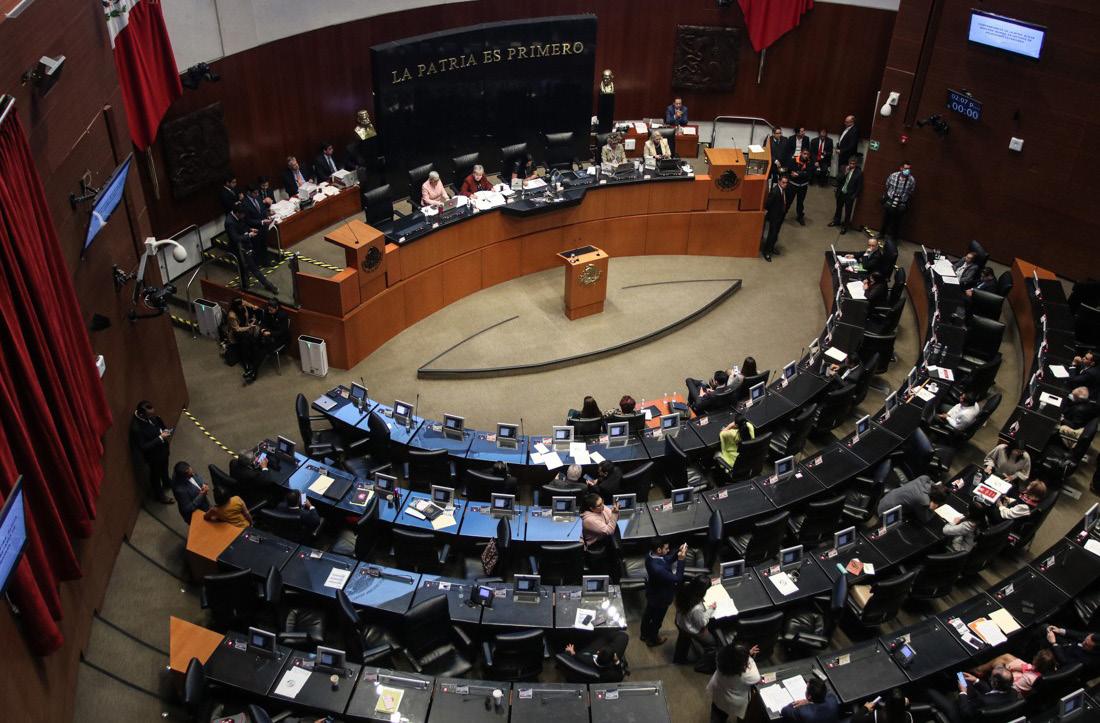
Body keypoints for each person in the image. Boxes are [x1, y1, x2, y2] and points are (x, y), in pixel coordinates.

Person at [641, 538, 687, 646]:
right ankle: (653, 640)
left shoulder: (650, 555)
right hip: (661, 598)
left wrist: (678, 552)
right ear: (659, 550)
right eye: (666, 548)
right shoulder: (658, 569)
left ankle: (644, 634)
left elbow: (666, 560)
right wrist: (681, 560)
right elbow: (677, 579)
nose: (668, 550)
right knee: (657, 620)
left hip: (652, 592)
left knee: (648, 615)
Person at [225, 205, 278, 294]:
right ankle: (268, 285)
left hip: (245, 245)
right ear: (237, 213)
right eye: (242, 215)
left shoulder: (238, 216)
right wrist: (249, 235)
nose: (244, 216)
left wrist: (250, 229)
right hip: (238, 249)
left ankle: (245, 285)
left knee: (247, 267)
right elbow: (235, 238)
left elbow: (243, 225)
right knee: (252, 268)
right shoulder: (229, 222)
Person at [130, 400, 174, 504]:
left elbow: (160, 426)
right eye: (149, 415)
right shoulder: (137, 428)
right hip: (153, 457)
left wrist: (165, 431)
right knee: (155, 476)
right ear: (141, 414)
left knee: (165, 468)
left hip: (163, 450)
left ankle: (167, 482)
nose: (152, 416)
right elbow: (144, 447)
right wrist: (160, 438)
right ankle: (160, 496)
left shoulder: (152, 417)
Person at [707, 643, 762, 723]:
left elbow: (732, 658)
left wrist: (746, 654)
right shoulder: (746, 675)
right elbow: (757, 678)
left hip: (717, 690)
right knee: (743, 716)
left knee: (717, 713)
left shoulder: (720, 660)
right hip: (732, 700)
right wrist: (750, 658)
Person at [674, 575, 718, 672]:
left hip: (680, 622)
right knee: (712, 644)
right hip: (691, 628)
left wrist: (711, 582)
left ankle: (679, 658)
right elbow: (702, 623)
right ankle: (702, 666)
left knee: (683, 638)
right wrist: (711, 609)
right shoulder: (697, 608)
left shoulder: (685, 590)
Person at [967, 649, 1056, 696]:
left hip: (1014, 687)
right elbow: (1030, 668)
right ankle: (979, 670)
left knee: (998, 664)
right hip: (1023, 676)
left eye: (1036, 657)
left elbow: (1012, 687)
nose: (1034, 656)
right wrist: (1016, 668)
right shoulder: (1047, 669)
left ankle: (977, 671)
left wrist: (1007, 671)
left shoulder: (1028, 679)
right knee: (1006, 657)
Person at [876, 476, 949, 524]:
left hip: (887, 497)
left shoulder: (924, 478)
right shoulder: (924, 500)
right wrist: (932, 509)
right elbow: (925, 519)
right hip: (888, 512)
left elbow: (932, 483)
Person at [561, 631, 629, 682]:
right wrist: (617, 662)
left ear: (598, 652)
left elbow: (575, 656)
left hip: (590, 656)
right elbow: (620, 677)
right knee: (624, 636)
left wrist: (572, 652)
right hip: (602, 660)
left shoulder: (582, 658)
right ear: (614, 657)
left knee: (604, 636)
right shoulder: (610, 674)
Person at [227, 298, 262, 383]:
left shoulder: (242, 305)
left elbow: (247, 303)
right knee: (245, 341)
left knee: (252, 341)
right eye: (241, 304)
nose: (243, 304)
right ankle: (246, 361)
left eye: (243, 303)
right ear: (237, 306)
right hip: (237, 332)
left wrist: (253, 306)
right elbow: (237, 329)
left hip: (246, 328)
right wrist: (249, 327)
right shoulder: (232, 316)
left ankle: (251, 364)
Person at [880, 162, 916, 241]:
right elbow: (887, 185)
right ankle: (881, 234)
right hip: (891, 199)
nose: (907, 170)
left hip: (901, 202)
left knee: (897, 221)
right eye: (906, 168)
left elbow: (911, 191)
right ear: (901, 168)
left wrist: (903, 198)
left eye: (909, 169)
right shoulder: (893, 175)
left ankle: (894, 238)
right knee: (886, 218)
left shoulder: (911, 180)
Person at [829, 157, 863, 234]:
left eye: (853, 164)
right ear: (848, 163)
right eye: (850, 163)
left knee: (848, 212)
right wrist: (845, 173)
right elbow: (838, 179)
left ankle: (845, 226)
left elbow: (859, 186)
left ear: (856, 164)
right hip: (841, 192)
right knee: (838, 208)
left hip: (849, 195)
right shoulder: (843, 168)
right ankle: (836, 221)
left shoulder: (859, 173)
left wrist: (854, 196)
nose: (852, 165)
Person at [762, 174, 790, 262]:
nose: (785, 184)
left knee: (776, 234)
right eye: (783, 182)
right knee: (772, 235)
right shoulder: (775, 192)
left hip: (780, 215)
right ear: (779, 181)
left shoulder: (783, 190)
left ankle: (771, 247)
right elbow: (767, 204)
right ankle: (766, 252)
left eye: (786, 183)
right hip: (774, 217)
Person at [788, 149, 812, 225]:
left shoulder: (809, 163)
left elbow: (809, 174)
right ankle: (782, 214)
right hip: (793, 185)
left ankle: (800, 216)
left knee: (800, 203)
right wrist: (803, 173)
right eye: (804, 154)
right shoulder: (794, 160)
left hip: (803, 187)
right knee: (788, 201)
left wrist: (798, 174)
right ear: (801, 153)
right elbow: (790, 170)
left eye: (807, 154)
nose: (806, 156)